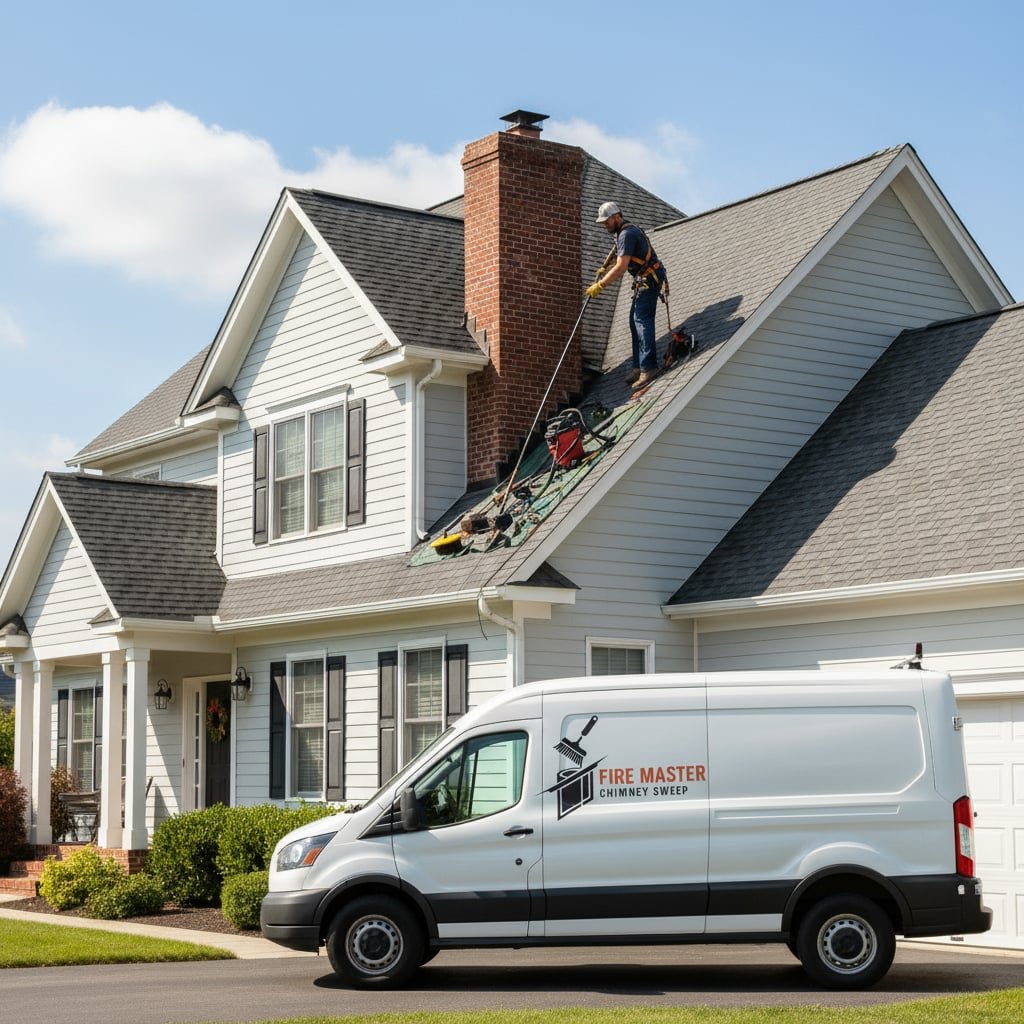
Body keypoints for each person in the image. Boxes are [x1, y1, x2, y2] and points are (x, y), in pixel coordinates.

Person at [586, 202, 667, 388]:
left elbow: (622, 266)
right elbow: (616, 251)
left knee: (642, 321)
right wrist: (604, 267)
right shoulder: (622, 232)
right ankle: (638, 366)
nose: (605, 225)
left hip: (649, 279)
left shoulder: (627, 234)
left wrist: (600, 285)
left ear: (616, 217)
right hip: (645, 279)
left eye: (606, 222)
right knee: (634, 321)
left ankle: (649, 367)